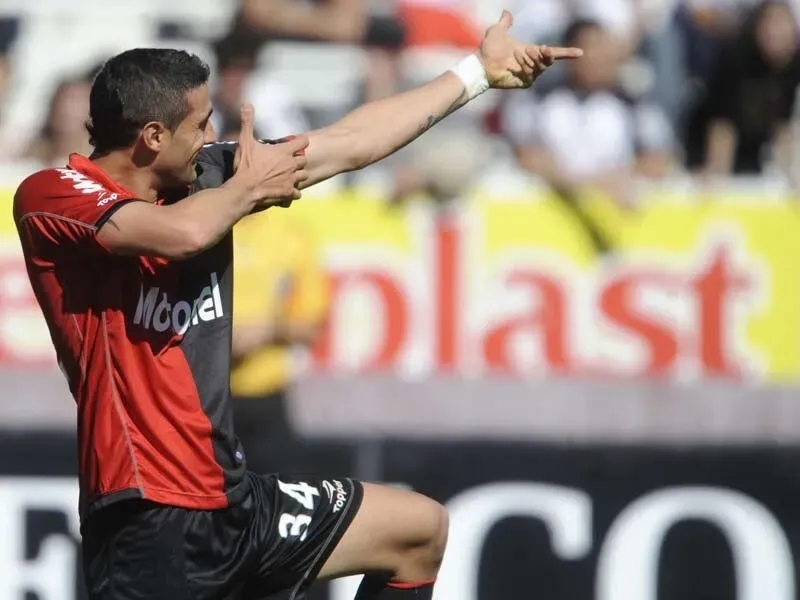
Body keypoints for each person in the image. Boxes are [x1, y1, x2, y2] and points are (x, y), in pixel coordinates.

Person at [13, 11, 581, 600]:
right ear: (154, 137)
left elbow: (350, 143)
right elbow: (180, 235)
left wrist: (476, 74)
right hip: (147, 516)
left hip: (234, 501)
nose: (213, 137)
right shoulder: (54, 196)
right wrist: (248, 189)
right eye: (201, 124)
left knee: (417, 530)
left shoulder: (208, 176)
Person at [230, 206, 333, 477]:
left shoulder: (290, 233)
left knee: (274, 502)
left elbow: (311, 325)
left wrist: (267, 331)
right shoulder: (195, 226)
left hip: (267, 399)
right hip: (199, 398)